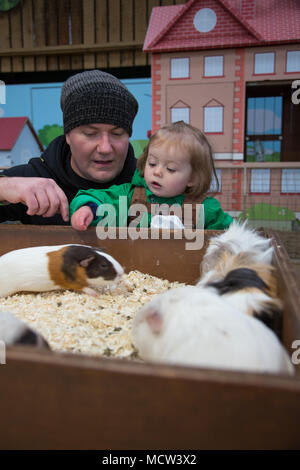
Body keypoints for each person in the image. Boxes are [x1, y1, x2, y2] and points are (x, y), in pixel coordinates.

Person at [0, 69, 138, 225]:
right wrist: (4, 187)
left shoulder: (153, 182)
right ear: (68, 135)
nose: (105, 148)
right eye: (90, 133)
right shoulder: (34, 178)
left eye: (117, 133)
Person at [70, 121, 233, 230]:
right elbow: (98, 198)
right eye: (152, 164)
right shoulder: (129, 196)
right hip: (137, 275)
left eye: (170, 169)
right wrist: (89, 209)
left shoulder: (206, 209)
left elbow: (232, 235)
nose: (157, 172)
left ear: (192, 178)